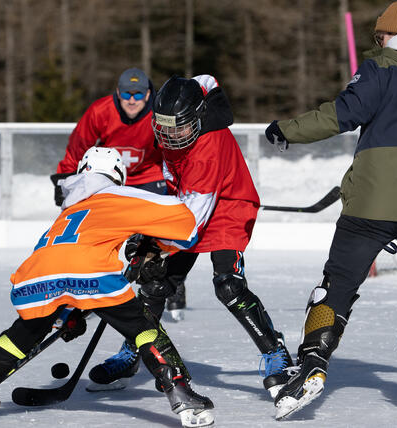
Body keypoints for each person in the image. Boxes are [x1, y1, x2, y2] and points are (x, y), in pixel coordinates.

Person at [264, 0, 397, 419]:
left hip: (367, 204)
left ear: (395, 35)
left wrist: (285, 130)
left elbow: (342, 114)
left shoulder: (380, 68)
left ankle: (311, 364)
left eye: (380, 36)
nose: (377, 42)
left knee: (338, 283)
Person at [0, 147, 214, 427]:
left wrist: (66, 313)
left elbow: (59, 266)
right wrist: (155, 246)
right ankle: (181, 394)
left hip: (34, 277)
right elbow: (185, 222)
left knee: (22, 336)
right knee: (143, 329)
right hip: (91, 272)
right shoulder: (118, 194)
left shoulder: (70, 208)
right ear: (118, 175)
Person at [88, 75, 294, 400]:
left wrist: (153, 246)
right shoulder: (175, 126)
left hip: (228, 205)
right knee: (155, 286)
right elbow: (206, 81)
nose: (170, 137)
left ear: (198, 119)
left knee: (228, 285)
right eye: (164, 128)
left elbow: (189, 226)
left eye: (178, 129)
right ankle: (133, 352)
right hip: (189, 200)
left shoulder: (206, 151)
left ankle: (275, 351)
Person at [50, 67, 188, 319]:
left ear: (148, 94)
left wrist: (178, 183)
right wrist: (65, 180)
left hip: (149, 175)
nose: (132, 100)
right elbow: (78, 147)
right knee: (97, 229)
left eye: (138, 94)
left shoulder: (159, 115)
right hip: (109, 179)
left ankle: (170, 281)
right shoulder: (100, 112)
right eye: (127, 94)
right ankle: (92, 284)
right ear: (117, 92)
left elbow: (174, 149)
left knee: (157, 234)